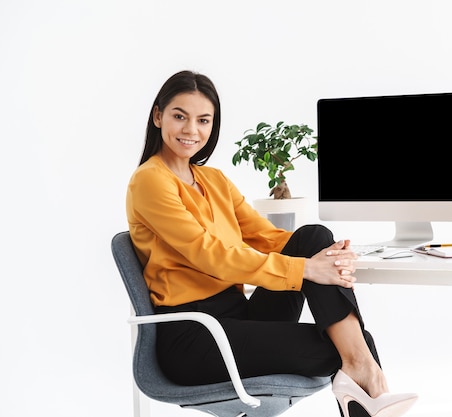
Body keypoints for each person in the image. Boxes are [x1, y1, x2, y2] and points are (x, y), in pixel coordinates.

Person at [125, 70, 417, 417]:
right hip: (194, 335)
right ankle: (372, 385)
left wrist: (331, 256)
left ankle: (367, 381)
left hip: (239, 315)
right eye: (179, 116)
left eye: (203, 120)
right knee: (353, 346)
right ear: (158, 116)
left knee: (313, 237)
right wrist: (307, 269)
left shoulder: (213, 179)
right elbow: (211, 256)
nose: (191, 130)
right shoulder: (149, 181)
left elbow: (267, 238)